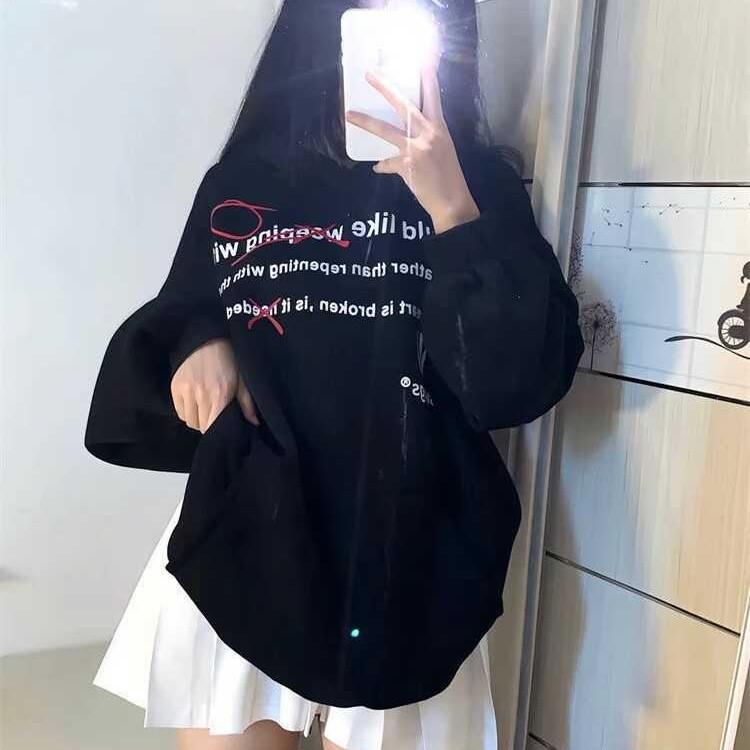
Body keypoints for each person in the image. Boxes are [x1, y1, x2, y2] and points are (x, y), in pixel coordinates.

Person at [83, 1, 585, 749]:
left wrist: (452, 206)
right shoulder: (242, 182)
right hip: (250, 539)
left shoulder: (480, 184)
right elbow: (184, 310)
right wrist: (200, 340)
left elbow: (516, 383)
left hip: (413, 561)